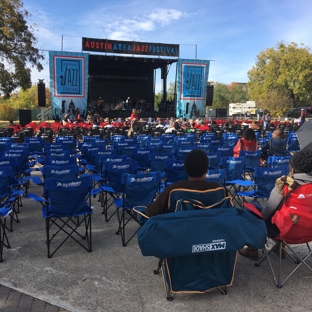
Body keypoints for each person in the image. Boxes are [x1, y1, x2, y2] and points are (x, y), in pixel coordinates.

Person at [239, 149, 312, 261]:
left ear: (292, 168)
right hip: (309, 231)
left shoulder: (285, 185)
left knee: (252, 210)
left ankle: (252, 250)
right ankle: (278, 247)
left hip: (284, 232)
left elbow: (267, 213)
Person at [145, 149, 226, 217]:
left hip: (179, 234)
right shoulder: (219, 190)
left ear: (185, 169)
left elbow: (151, 213)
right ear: (207, 170)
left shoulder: (173, 189)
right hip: (213, 233)